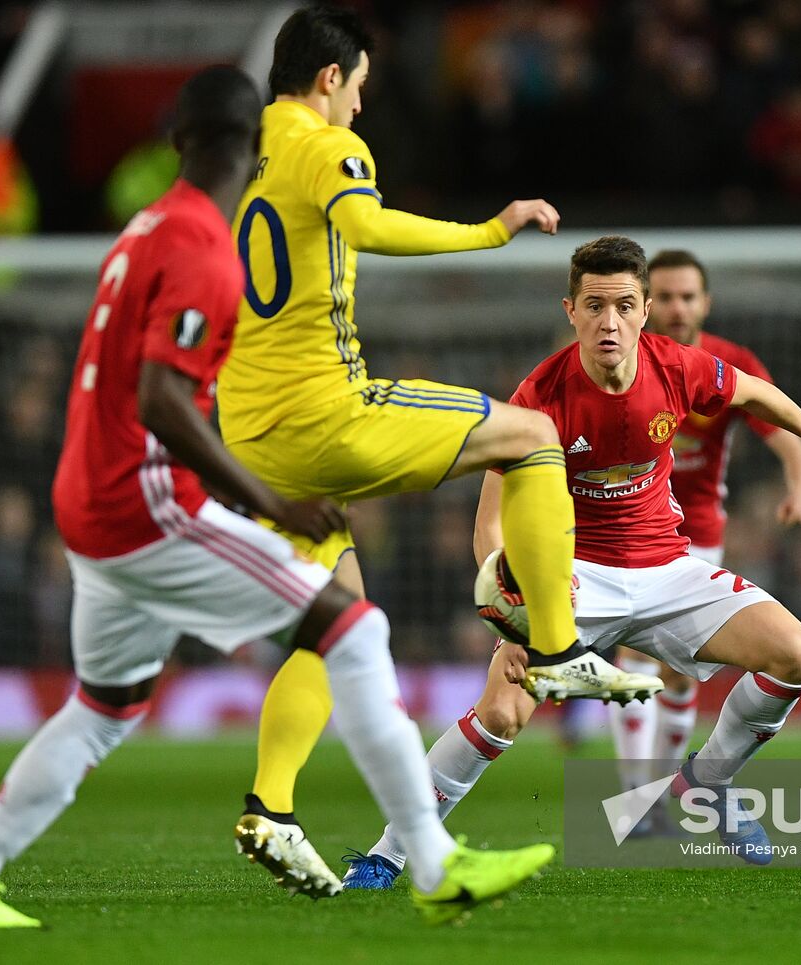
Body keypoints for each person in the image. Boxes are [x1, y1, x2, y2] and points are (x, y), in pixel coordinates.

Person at [0, 66, 552, 929]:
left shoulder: (142, 228)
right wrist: (271, 499)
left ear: (177, 144)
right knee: (353, 628)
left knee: (103, 709)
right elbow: (161, 399)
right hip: (145, 507)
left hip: (86, 502)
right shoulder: (202, 249)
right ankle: (435, 865)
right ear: (251, 149)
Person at [220, 5, 658, 893]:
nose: (359, 111)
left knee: (335, 619)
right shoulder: (322, 145)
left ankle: (270, 806)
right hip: (322, 410)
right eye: (360, 90)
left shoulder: (248, 158)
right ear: (333, 77)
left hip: (249, 433)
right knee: (534, 436)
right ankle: (555, 645)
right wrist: (489, 232)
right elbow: (371, 225)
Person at [341, 235, 801, 887]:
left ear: (645, 309)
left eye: (623, 305)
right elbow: (491, 520)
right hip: (572, 581)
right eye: (595, 305)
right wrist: (506, 622)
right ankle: (388, 853)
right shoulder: (540, 397)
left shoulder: (679, 366)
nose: (609, 321)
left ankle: (707, 780)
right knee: (501, 713)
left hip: (666, 570)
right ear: (571, 310)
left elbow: (757, 394)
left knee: (798, 655)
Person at [607, 249, 801, 834]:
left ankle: (660, 791)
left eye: (687, 297)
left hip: (697, 534)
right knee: (635, 658)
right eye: (666, 297)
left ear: (706, 303)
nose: (677, 308)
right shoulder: (621, 360)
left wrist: (800, 491)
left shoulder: (728, 363)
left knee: (678, 673)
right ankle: (638, 798)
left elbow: (784, 435)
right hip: (625, 531)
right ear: (649, 304)